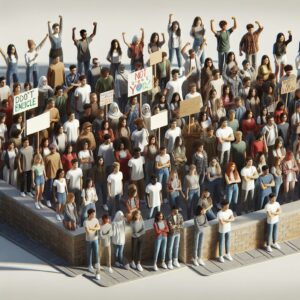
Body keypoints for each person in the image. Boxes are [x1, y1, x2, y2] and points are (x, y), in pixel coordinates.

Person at [83, 208, 101, 280]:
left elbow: (99, 227)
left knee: (96, 253)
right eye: (93, 214)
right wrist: (95, 228)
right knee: (89, 253)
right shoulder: (85, 222)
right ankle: (89, 266)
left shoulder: (96, 220)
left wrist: (92, 228)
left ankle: (97, 267)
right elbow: (88, 232)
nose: (94, 215)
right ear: (89, 214)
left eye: (94, 214)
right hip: (89, 240)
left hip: (95, 239)